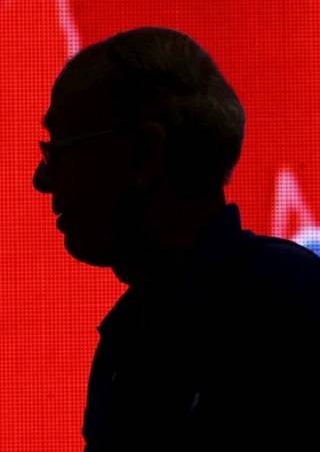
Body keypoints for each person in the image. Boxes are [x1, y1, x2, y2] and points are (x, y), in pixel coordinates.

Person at [32, 27, 320, 451]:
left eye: (59, 150)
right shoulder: (129, 335)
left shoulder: (293, 306)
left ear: (144, 154)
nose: (42, 179)